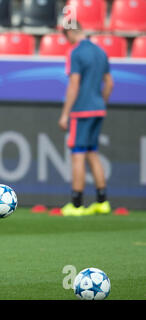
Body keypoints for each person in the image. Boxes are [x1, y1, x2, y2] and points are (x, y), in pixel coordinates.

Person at [59, 22, 114, 217]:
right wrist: (101, 102)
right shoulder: (100, 51)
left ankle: (76, 204)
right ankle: (102, 201)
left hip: (81, 110)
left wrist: (65, 113)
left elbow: (74, 84)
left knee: (78, 155)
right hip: (98, 109)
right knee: (92, 153)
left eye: (65, 35)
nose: (66, 39)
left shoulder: (76, 53)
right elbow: (109, 82)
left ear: (71, 32)